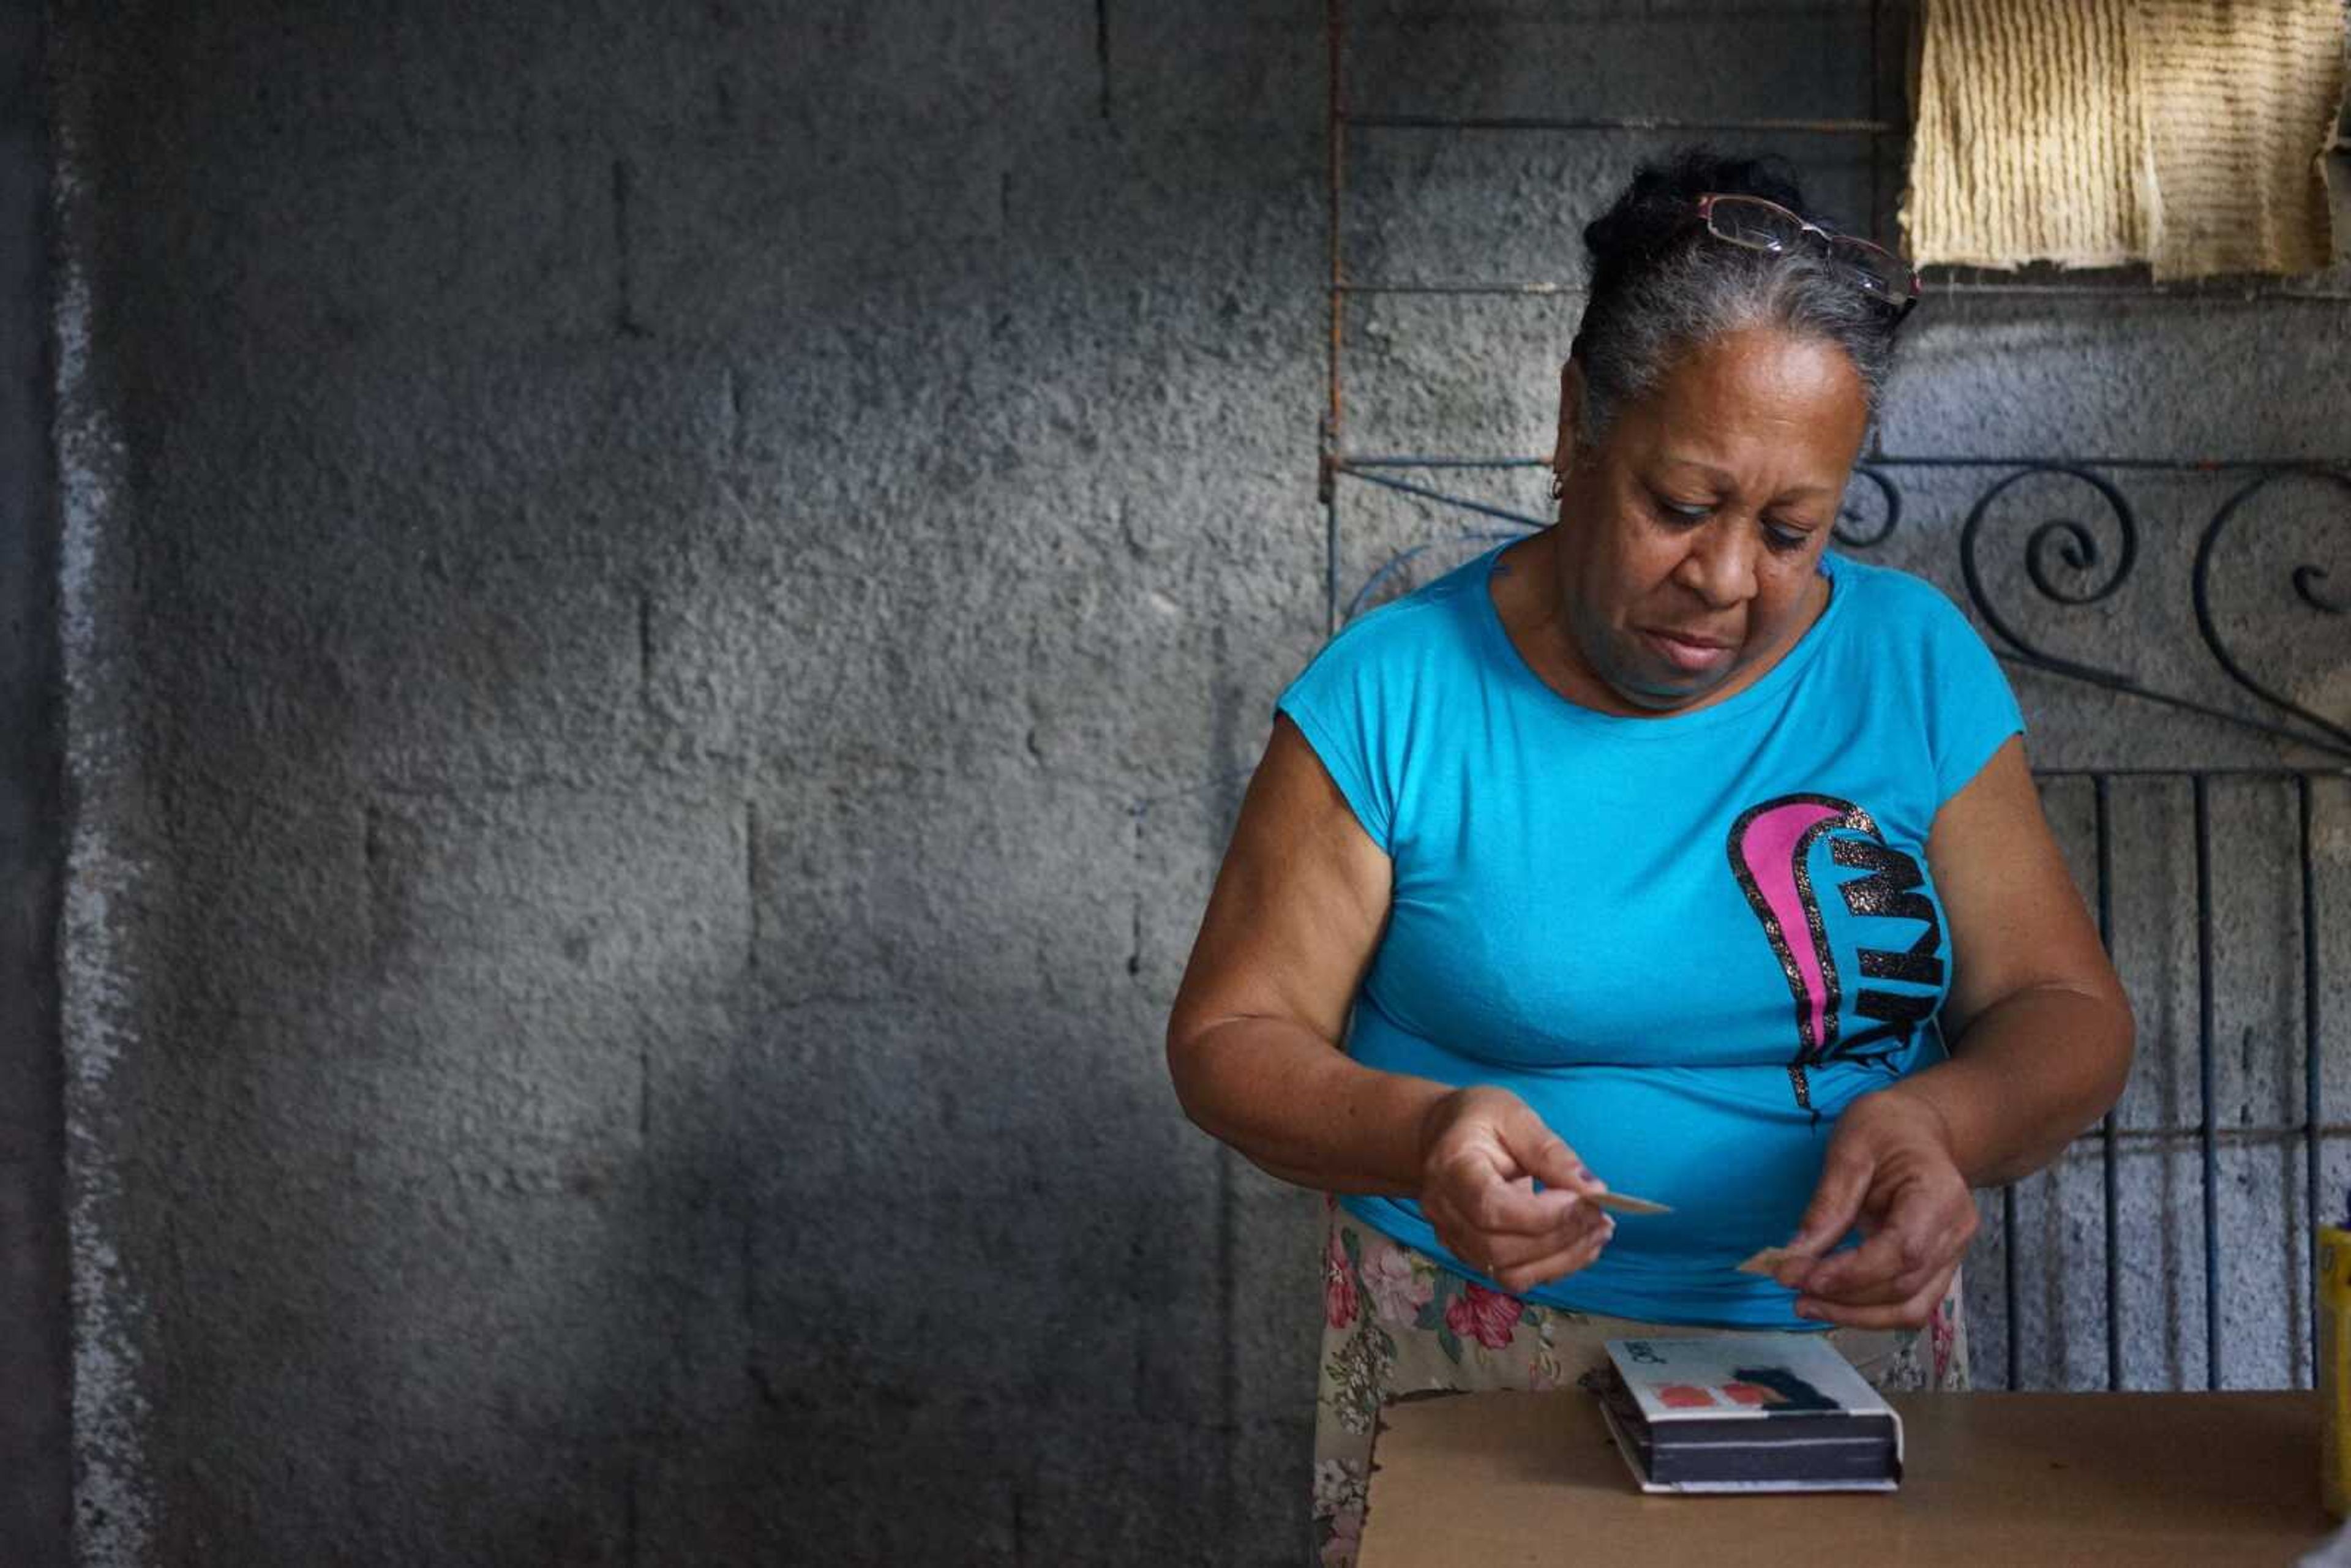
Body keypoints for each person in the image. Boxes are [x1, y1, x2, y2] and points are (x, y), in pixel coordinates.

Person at [1163, 150, 2135, 1566]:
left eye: (1793, 530)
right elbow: (1229, 1039)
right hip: (1480, 1375)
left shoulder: (1908, 664)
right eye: (1682, 505)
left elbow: (2069, 1015)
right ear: (1576, 431)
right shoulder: (1399, 695)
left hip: (1850, 1379)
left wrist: (1943, 1128)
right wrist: (1422, 1136)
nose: (1730, 578)